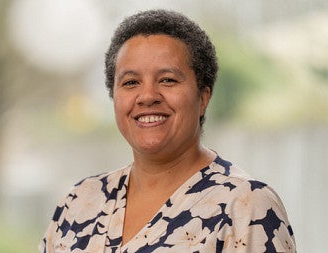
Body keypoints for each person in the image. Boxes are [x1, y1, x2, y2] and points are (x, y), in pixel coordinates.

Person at [39, 9, 296, 252]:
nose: (148, 96)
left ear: (203, 97)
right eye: (131, 82)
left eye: (167, 80)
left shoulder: (246, 205)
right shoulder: (80, 201)